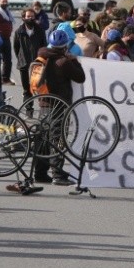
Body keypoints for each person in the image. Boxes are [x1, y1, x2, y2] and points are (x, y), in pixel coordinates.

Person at [31, 30, 85, 186]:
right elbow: (80, 77)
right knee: (58, 139)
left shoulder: (42, 56)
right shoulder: (64, 62)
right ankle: (57, 174)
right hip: (60, 105)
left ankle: (40, 173)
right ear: (65, 45)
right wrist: (74, 61)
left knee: (42, 138)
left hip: (44, 104)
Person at [13, 7, 47, 108]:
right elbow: (16, 47)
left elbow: (44, 46)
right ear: (23, 18)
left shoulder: (40, 30)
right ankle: (28, 109)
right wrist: (21, 58)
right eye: (28, 16)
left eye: (32, 16)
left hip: (37, 64)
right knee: (27, 89)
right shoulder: (19, 32)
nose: (30, 18)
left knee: (39, 87)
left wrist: (42, 60)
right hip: (24, 64)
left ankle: (43, 108)